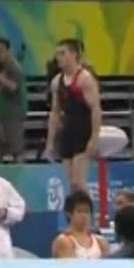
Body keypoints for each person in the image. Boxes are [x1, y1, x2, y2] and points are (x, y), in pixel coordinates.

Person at [45, 39, 102, 192]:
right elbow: (55, 112)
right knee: (71, 184)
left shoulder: (85, 79)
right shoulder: (57, 82)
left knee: (79, 182)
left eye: (62, 53)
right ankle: (76, 215)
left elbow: (95, 109)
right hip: (67, 133)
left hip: (83, 132)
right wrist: (50, 142)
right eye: (57, 54)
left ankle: (88, 215)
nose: (58, 57)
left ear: (74, 55)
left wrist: (94, 138)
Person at [52, 190, 111, 260]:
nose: (83, 215)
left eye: (87, 211)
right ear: (69, 214)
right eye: (79, 211)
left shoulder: (101, 242)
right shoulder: (64, 241)